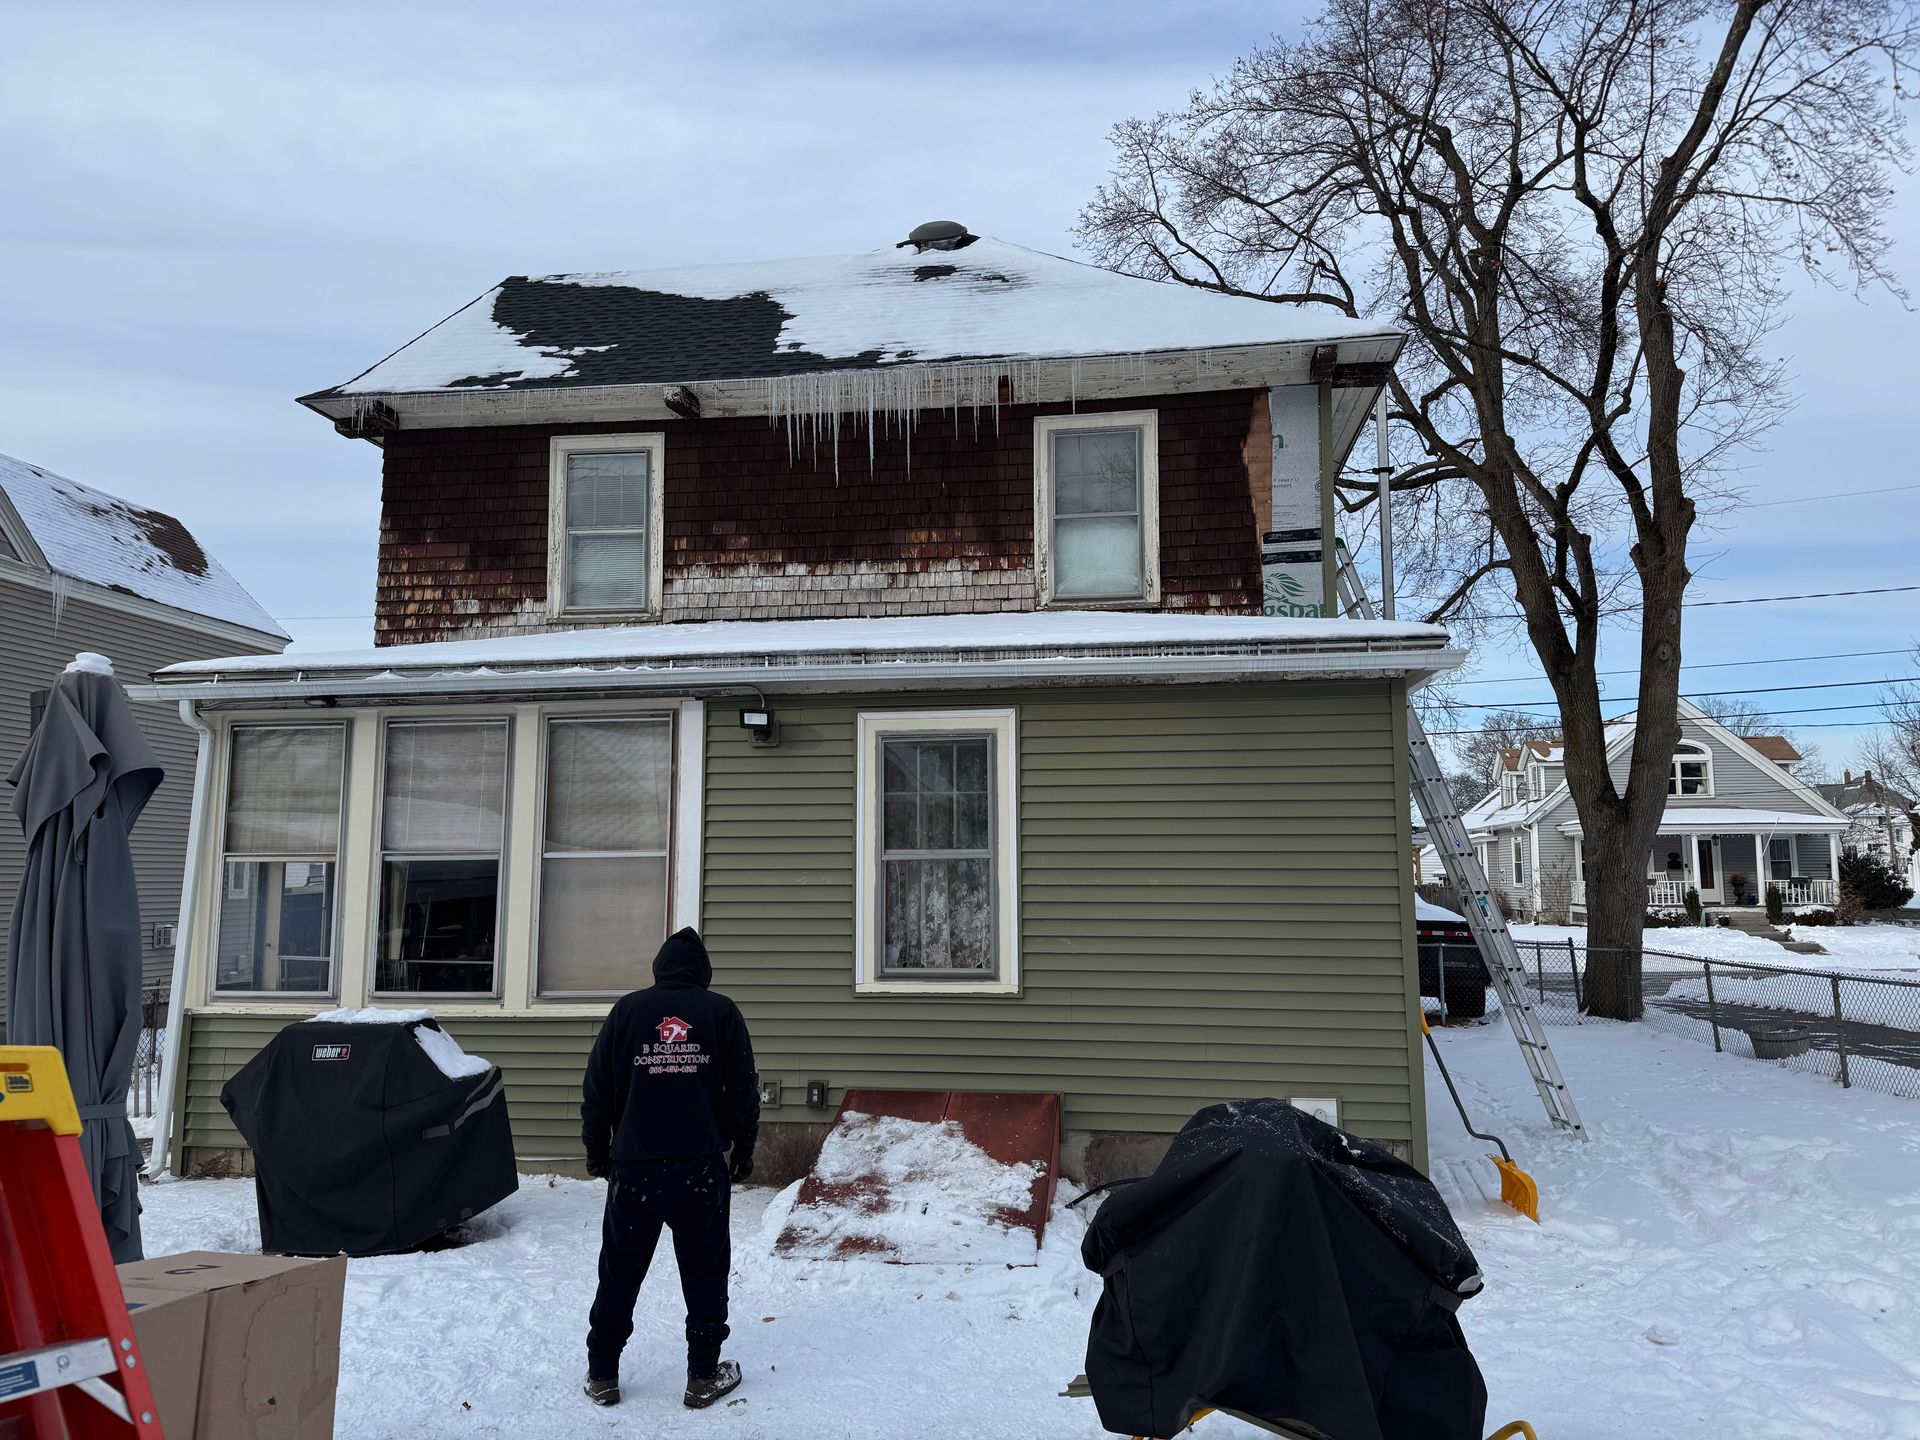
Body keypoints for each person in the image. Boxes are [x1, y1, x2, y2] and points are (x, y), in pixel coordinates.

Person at [580, 927, 760, 1409]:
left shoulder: (627, 1012)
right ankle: (702, 1376)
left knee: (619, 1269)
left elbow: (596, 1087)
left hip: (634, 1169)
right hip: (699, 1170)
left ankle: (602, 1374)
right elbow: (743, 1090)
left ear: (659, 967)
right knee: (705, 1271)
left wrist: (598, 1151)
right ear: (702, 972)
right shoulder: (720, 1013)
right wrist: (744, 1152)